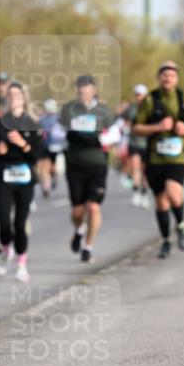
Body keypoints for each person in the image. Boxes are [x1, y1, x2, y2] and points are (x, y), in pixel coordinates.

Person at [132, 61, 184, 259]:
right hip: (155, 158)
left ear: (176, 78)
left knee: (174, 193)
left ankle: (181, 225)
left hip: (177, 157)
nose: (167, 78)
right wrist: (157, 127)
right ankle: (165, 240)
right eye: (164, 75)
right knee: (161, 203)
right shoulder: (150, 100)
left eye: (171, 75)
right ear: (158, 77)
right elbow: (137, 127)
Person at [0, 82, 41, 282]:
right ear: (7, 99)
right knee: (3, 224)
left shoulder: (32, 124)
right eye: (10, 95)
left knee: (20, 224)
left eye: (18, 94)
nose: (14, 98)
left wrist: (23, 144)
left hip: (25, 179)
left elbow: (37, 156)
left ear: (24, 98)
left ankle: (21, 264)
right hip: (3, 177)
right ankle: (5, 251)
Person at [62, 74, 116, 263]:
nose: (83, 91)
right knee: (77, 212)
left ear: (93, 90)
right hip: (75, 165)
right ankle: (79, 229)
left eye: (86, 88)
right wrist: (68, 136)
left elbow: (116, 133)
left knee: (93, 207)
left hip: (97, 164)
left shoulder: (103, 111)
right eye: (80, 88)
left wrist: (97, 140)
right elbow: (57, 131)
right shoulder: (68, 110)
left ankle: (88, 246)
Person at [124, 84, 151, 208]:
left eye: (141, 94)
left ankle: (144, 193)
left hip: (146, 143)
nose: (139, 97)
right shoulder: (131, 109)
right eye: (137, 94)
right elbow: (126, 121)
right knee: (135, 167)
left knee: (145, 171)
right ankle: (136, 192)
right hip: (134, 142)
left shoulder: (150, 108)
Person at [37, 98, 66, 197]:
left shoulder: (58, 118)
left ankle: (47, 185)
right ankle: (49, 183)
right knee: (46, 167)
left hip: (52, 146)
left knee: (46, 167)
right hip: (45, 146)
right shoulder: (43, 119)